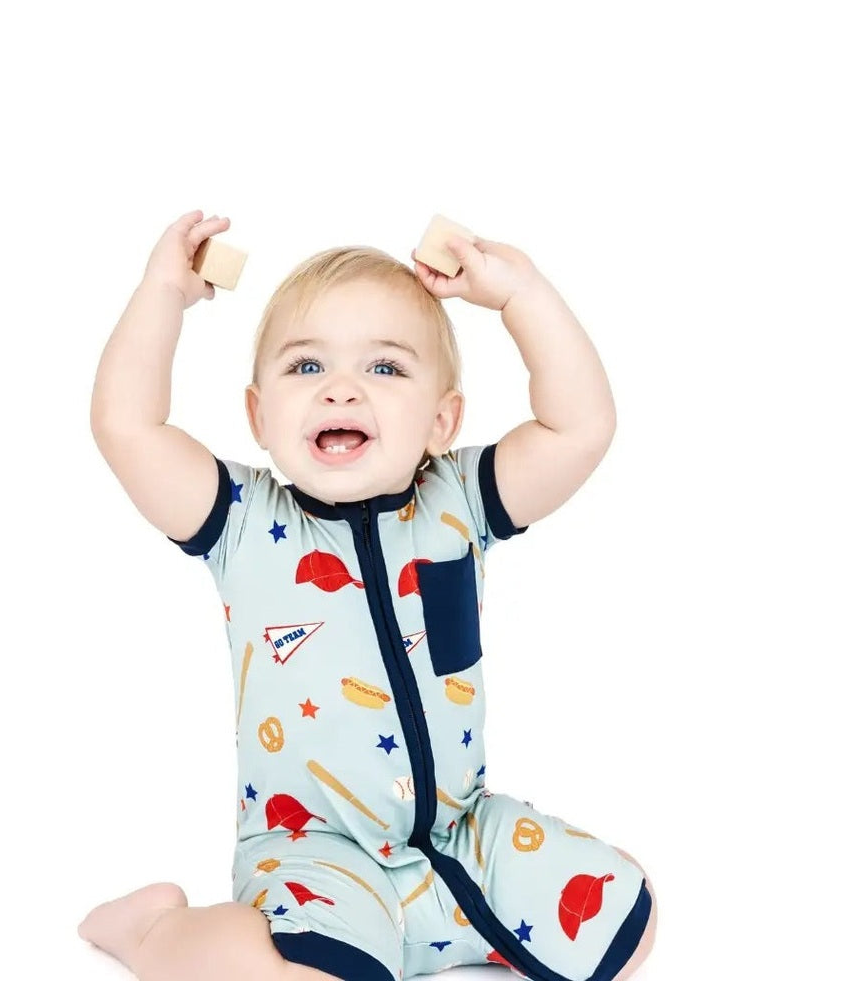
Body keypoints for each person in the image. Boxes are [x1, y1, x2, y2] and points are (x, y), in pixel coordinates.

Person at [78, 210, 657, 981]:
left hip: (458, 835)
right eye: (306, 368)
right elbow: (127, 425)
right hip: (316, 853)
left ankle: (440, 931)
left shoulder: (461, 499)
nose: (342, 390)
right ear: (259, 415)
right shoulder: (243, 522)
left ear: (442, 419)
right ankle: (154, 932)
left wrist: (521, 296)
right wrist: (161, 292)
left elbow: (579, 427)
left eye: (384, 369)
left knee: (632, 923)